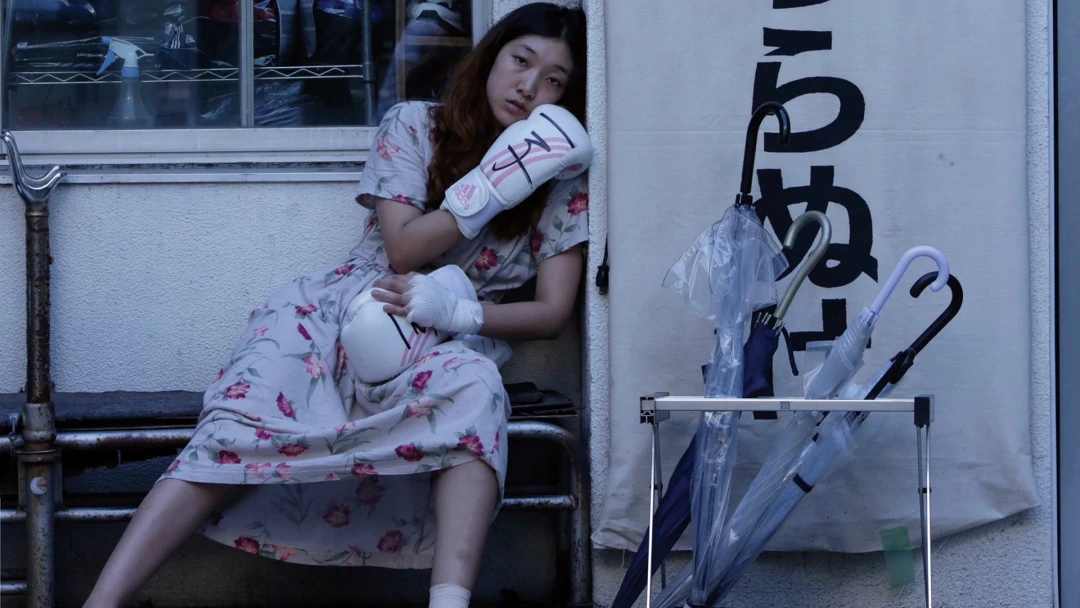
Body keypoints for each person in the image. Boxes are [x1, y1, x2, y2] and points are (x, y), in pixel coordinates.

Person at [83, 3, 590, 607]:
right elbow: (403, 249)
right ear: (491, 57)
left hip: (443, 336)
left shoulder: (562, 181)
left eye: (553, 79)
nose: (529, 87)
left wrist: (462, 315)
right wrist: (497, 180)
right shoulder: (415, 124)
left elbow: (553, 311)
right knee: (239, 417)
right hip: (340, 311)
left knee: (478, 391)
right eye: (521, 61)